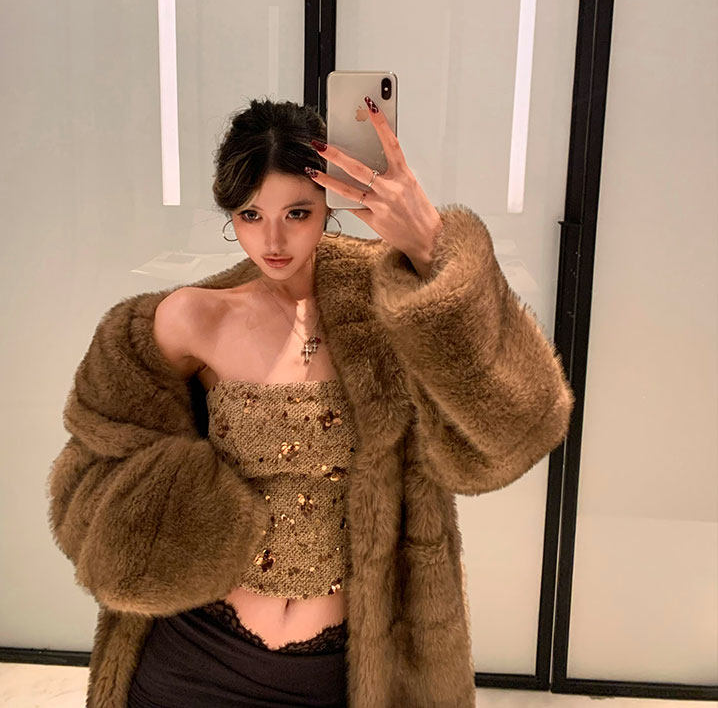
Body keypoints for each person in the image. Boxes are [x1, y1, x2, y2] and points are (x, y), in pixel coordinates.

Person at [47, 95, 575, 708]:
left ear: (331, 203)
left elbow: (521, 426)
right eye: (250, 214)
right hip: (193, 655)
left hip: (342, 669)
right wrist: (189, 516)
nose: (272, 239)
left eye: (297, 212)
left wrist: (432, 247)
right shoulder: (195, 319)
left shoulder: (392, 310)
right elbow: (88, 478)